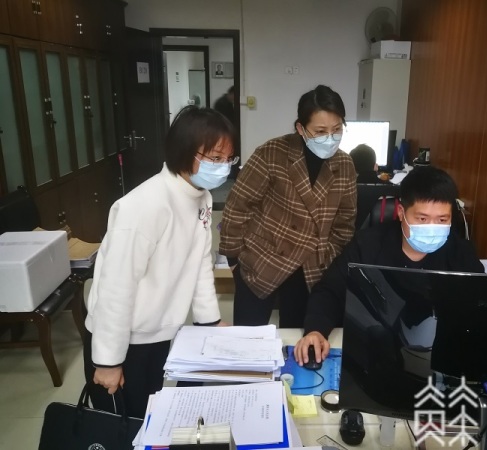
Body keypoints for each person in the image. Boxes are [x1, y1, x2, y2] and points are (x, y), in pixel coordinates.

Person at [83, 106, 237, 418]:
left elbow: (199, 264)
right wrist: (109, 362)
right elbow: (116, 288)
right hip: (122, 338)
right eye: (214, 158)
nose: (222, 167)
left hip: (159, 332)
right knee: (123, 426)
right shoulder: (144, 206)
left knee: (149, 416)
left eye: (227, 159)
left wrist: (209, 321)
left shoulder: (200, 196)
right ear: (184, 151)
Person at [293, 165, 485, 366]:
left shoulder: (461, 253)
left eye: (442, 219)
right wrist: (316, 330)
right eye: (422, 219)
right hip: (374, 348)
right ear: (401, 212)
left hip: (439, 354)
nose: (432, 228)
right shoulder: (368, 244)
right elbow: (330, 290)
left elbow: (478, 306)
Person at [219, 85, 357, 328]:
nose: (330, 138)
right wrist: (233, 257)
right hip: (262, 257)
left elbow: (344, 225)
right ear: (301, 129)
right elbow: (238, 205)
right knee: (248, 336)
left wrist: (327, 255)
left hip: (310, 265)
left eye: (337, 129)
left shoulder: (345, 165)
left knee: (296, 338)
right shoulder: (273, 153)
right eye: (320, 131)